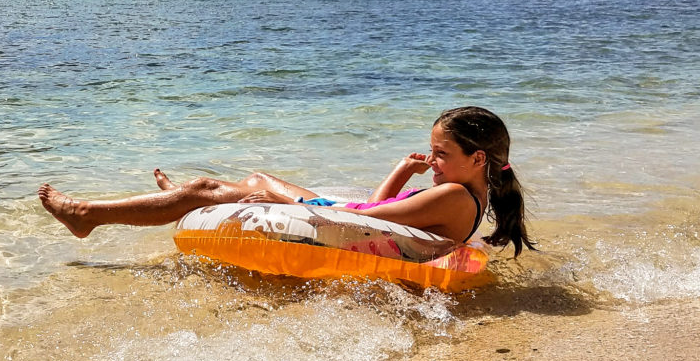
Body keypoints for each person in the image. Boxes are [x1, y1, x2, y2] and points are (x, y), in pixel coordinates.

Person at [39, 106, 535, 256]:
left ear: (476, 158)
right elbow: (376, 213)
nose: (433, 160)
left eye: (442, 154)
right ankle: (174, 199)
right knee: (254, 178)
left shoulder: (452, 193)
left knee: (211, 190)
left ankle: (87, 216)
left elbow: (362, 222)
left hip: (342, 222)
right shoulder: (472, 189)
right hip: (354, 216)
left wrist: (285, 209)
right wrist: (403, 172)